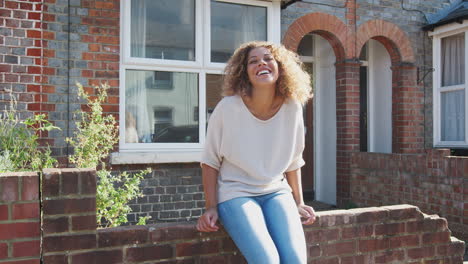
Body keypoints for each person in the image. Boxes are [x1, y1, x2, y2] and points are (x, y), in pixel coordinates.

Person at [196, 41, 315, 264]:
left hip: (276, 191)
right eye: (253, 61)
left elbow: (294, 160)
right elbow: (209, 161)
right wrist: (210, 207)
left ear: (280, 67)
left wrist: (298, 202)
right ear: (245, 72)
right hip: (236, 193)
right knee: (267, 261)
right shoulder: (228, 107)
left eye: (268, 58)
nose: (261, 63)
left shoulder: (293, 106)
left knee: (296, 260)